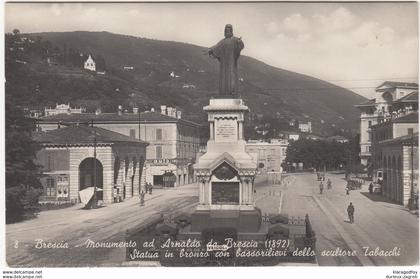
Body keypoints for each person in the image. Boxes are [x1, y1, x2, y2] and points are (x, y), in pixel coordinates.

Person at [208, 24, 244, 96]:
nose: (227, 30)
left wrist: (239, 43)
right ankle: (223, 93)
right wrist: (210, 50)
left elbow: (241, 45)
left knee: (231, 76)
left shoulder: (235, 39)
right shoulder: (222, 41)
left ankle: (232, 92)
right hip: (224, 64)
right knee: (223, 78)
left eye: (229, 29)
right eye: (226, 29)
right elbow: (216, 47)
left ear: (231, 30)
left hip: (231, 62)